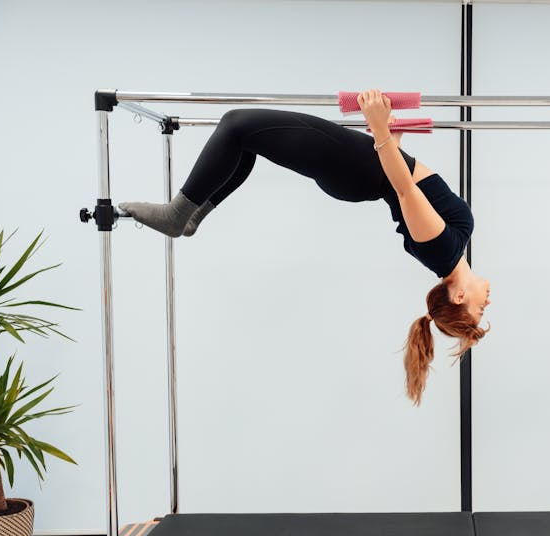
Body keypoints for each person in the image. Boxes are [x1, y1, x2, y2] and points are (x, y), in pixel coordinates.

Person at [119, 90, 490, 405]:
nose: (486, 303)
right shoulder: (454, 246)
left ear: (458, 297)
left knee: (236, 125)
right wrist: (392, 140)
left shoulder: (442, 250)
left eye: (477, 310)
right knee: (247, 139)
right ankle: (194, 215)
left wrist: (379, 129)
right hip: (364, 166)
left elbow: (407, 190)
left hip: (356, 168)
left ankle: (177, 214)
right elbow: (406, 190)